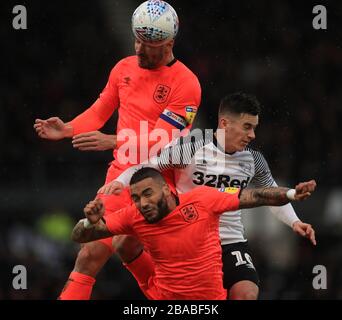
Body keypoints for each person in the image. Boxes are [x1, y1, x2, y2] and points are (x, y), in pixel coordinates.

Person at [33, 0, 201, 300]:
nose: (139, 49)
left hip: (164, 181)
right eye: (137, 39)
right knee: (89, 255)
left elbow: (164, 138)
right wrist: (68, 128)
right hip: (120, 176)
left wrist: (113, 141)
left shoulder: (186, 83)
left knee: (151, 259)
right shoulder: (123, 68)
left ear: (169, 43)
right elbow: (99, 111)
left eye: (149, 44)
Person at [100, 92, 317, 300]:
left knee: (247, 293)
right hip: (192, 236)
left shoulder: (254, 160)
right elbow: (146, 167)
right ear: (225, 124)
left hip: (230, 239)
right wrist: (119, 182)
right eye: (247, 127)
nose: (252, 135)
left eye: (254, 128)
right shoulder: (191, 147)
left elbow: (270, 192)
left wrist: (295, 221)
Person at [73, 167, 316, 299]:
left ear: (167, 191)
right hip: (163, 297)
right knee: (122, 240)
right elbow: (79, 236)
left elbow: (256, 195)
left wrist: (292, 194)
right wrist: (88, 222)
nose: (142, 203)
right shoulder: (134, 215)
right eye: (136, 197)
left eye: (148, 194)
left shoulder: (202, 200)